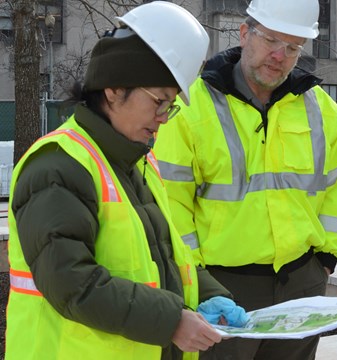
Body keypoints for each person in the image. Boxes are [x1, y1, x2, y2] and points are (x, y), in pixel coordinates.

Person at [5, 2, 247, 359]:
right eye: (160, 102)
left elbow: (162, 255)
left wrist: (209, 294)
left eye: (171, 105)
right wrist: (172, 322)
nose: (164, 118)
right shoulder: (58, 166)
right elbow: (72, 283)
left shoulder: (135, 160)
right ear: (114, 89)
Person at [153, 0, 337, 358]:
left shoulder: (321, 107)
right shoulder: (190, 106)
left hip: (301, 283)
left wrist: (326, 258)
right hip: (222, 288)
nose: (280, 55)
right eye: (271, 40)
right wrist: (197, 280)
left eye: (293, 47)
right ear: (245, 33)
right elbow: (171, 200)